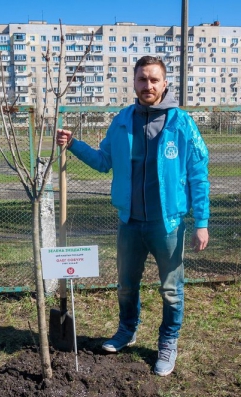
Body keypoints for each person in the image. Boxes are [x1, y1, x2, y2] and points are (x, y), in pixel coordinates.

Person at [57, 55, 210, 377]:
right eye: (142, 79)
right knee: (126, 286)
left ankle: (168, 342)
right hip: (130, 222)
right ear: (135, 83)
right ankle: (127, 330)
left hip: (167, 224)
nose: (148, 85)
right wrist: (73, 145)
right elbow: (103, 161)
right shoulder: (123, 120)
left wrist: (202, 223)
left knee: (171, 289)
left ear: (165, 83)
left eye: (154, 79)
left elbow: (198, 175)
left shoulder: (181, 123)